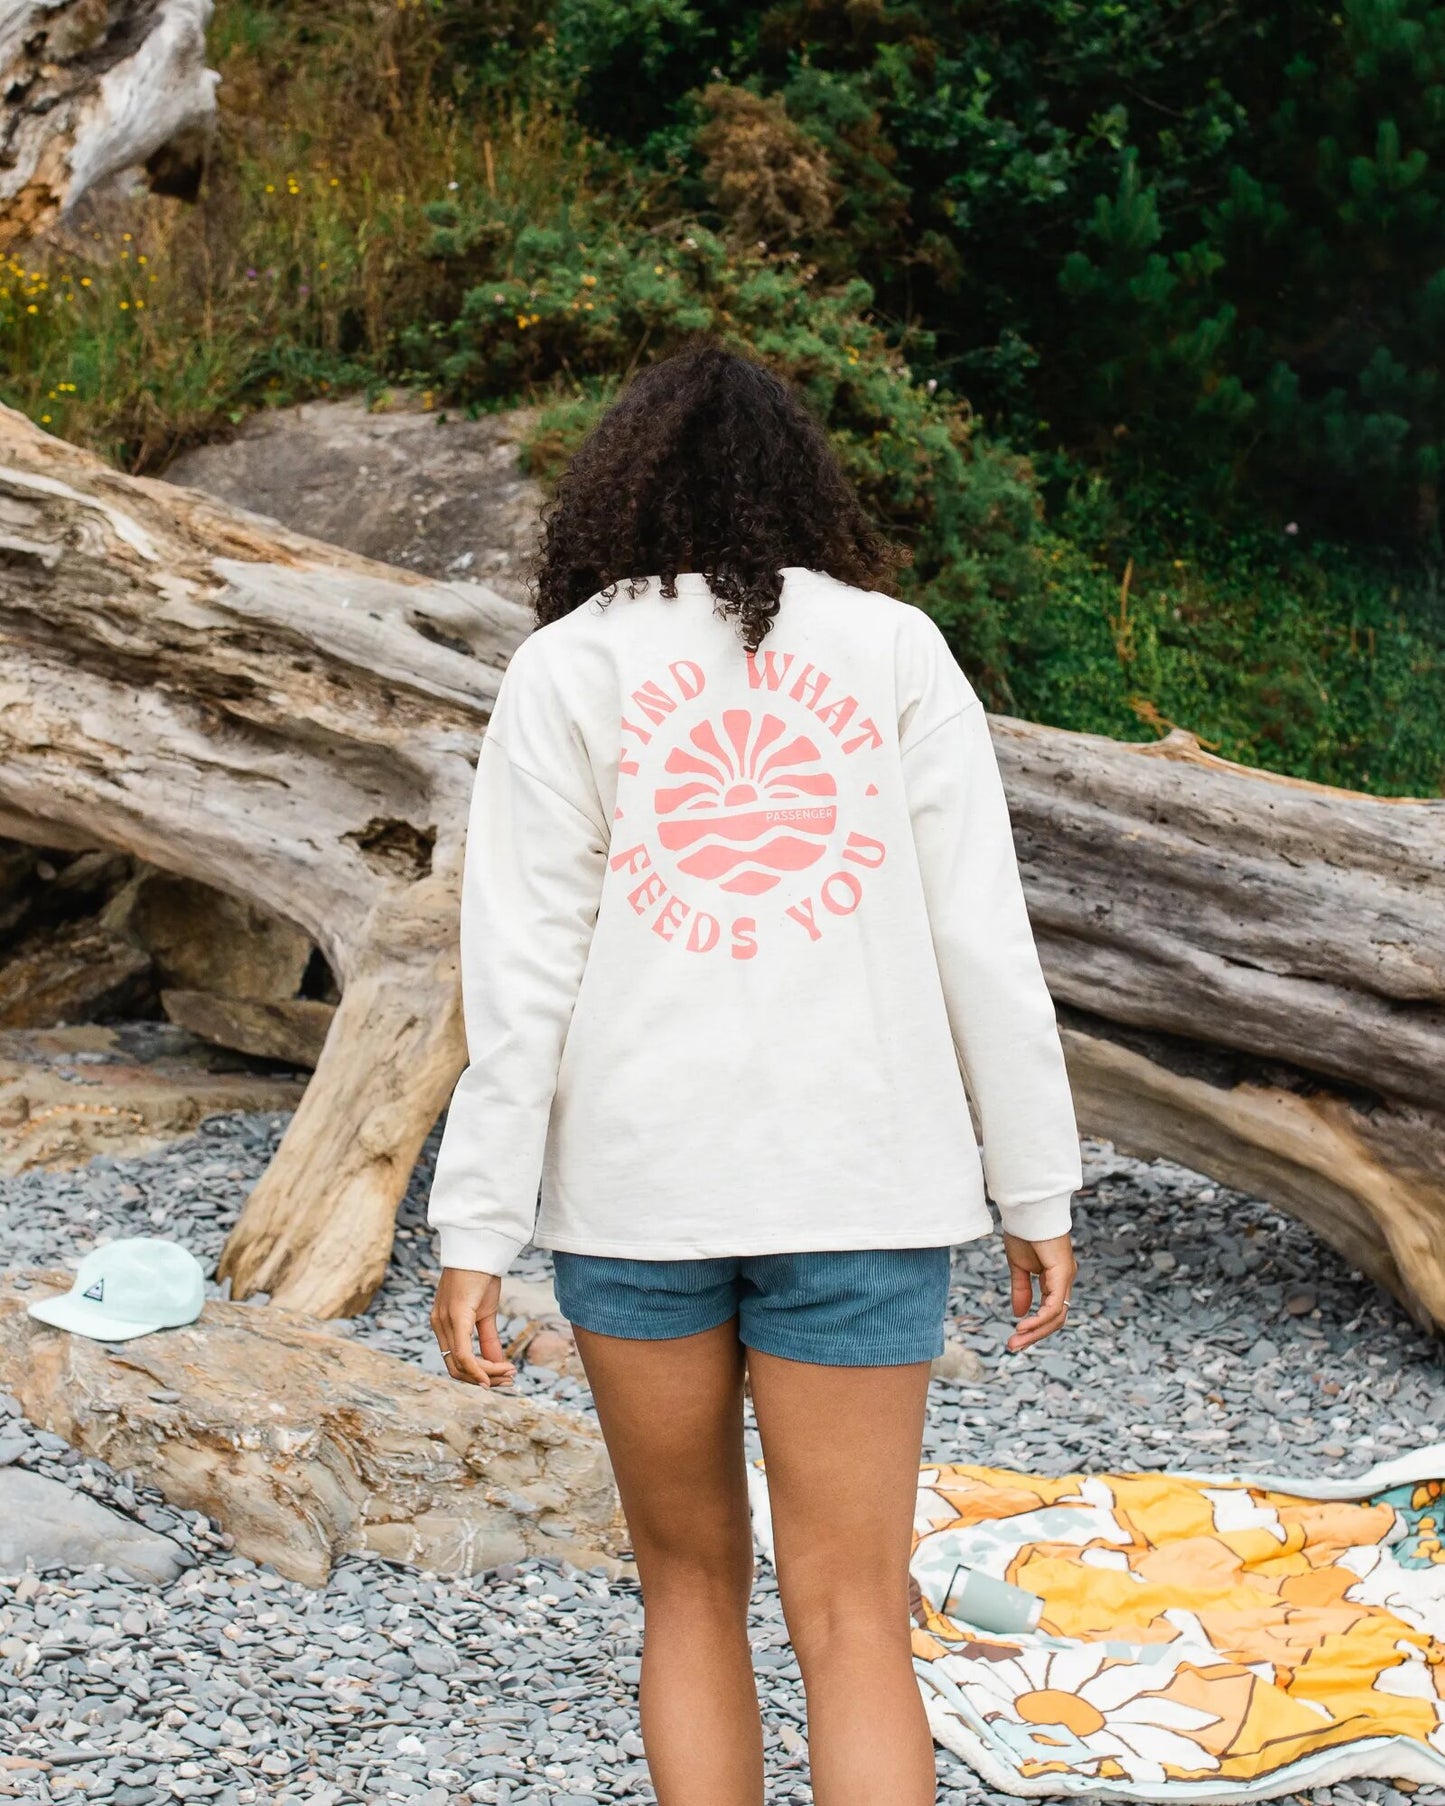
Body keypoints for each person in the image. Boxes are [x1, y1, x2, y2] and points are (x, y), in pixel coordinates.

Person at [427, 341, 1080, 1806]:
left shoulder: (566, 665)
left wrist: (475, 1227)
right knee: (854, 1619)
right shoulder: (895, 648)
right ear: (803, 486)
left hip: (638, 1194)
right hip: (863, 1184)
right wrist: (1034, 1183)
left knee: (686, 1591)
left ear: (615, 493)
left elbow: (518, 978)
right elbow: (984, 943)